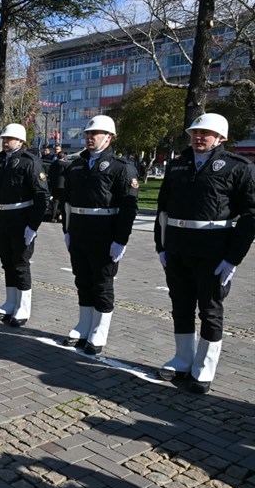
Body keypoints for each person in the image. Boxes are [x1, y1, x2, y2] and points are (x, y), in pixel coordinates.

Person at [154, 113, 255, 394]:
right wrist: (161, 246)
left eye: (205, 133)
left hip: (212, 250)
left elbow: (250, 215)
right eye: (195, 132)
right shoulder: (177, 164)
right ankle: (183, 359)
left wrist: (233, 258)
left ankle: (204, 368)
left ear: (220, 137)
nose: (198, 137)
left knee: (210, 310)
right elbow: (162, 209)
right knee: (181, 305)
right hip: (178, 247)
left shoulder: (238, 167)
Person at [61, 115, 138, 354]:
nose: (90, 137)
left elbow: (128, 207)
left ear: (109, 137)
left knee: (102, 283)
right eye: (88, 133)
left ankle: (99, 330)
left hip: (104, 233)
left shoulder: (120, 167)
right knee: (82, 280)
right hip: (79, 230)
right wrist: (67, 229)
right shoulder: (77, 165)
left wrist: (121, 239)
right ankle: (84, 325)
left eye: (95, 134)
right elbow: (66, 201)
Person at [0, 124, 48, 326]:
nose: (5, 141)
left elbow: (41, 196)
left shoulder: (30, 162)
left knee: (20, 264)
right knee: (7, 262)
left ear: (20, 141)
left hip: (21, 220)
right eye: (3, 138)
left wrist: (33, 226)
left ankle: (23, 307)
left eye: (9, 138)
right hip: (2, 219)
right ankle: (10, 302)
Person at [48, 151, 68, 222]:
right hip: (63, 185)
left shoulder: (53, 164)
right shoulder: (65, 164)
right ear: (64, 157)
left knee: (55, 201)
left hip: (54, 185)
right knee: (63, 202)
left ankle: (53, 217)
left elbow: (50, 174)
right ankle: (62, 216)